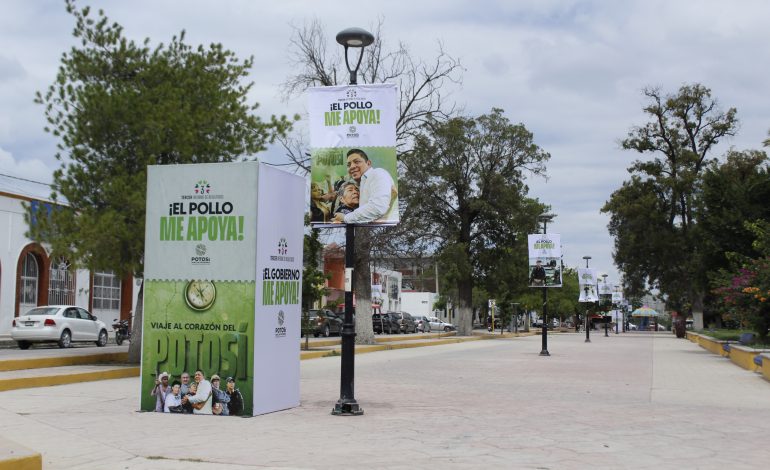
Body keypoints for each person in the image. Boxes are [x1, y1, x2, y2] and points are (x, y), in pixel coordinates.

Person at [332, 149, 397, 224]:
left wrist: (345, 218)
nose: (352, 166)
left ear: (368, 163)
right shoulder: (362, 184)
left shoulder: (377, 173)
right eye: (348, 165)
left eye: (357, 162)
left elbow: (377, 208)